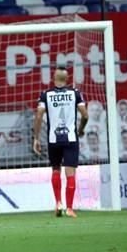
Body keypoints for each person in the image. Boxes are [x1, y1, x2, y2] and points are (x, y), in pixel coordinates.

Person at [33, 67, 88, 218]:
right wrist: (81, 129)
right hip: (71, 139)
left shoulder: (46, 95)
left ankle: (58, 203)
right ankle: (70, 208)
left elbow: (38, 116)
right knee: (70, 173)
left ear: (53, 77)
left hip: (53, 139)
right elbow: (85, 115)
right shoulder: (75, 93)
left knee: (55, 169)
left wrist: (36, 138)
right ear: (68, 79)